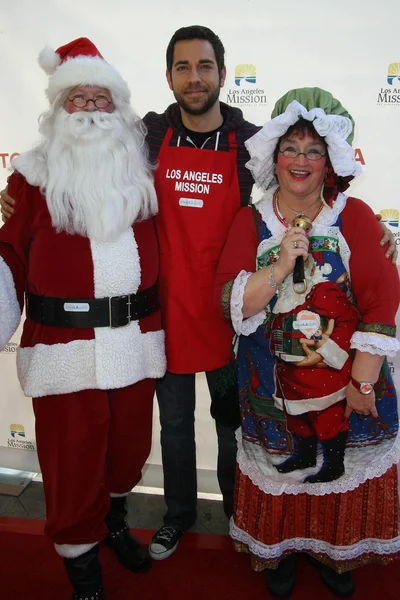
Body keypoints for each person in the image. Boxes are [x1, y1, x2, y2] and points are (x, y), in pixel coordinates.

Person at [1, 27, 397, 563]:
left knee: (234, 419)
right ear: (168, 77)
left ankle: (243, 517)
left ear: (221, 75)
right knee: (174, 427)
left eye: (204, 67)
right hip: (165, 315)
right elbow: (86, 164)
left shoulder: (252, 140)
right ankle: (179, 517)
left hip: (240, 316)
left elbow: (308, 180)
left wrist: (376, 232)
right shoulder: (145, 137)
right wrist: (23, 192)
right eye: (183, 68)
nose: (194, 78)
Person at [215, 87, 400, 598]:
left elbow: (382, 303)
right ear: (273, 156)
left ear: (331, 161)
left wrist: (362, 379)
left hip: (349, 377)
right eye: (290, 148)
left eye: (313, 150)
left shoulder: (356, 217)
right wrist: (276, 267)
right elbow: (231, 302)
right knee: (289, 461)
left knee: (336, 462)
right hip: (272, 381)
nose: (301, 160)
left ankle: (334, 550)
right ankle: (282, 550)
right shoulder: (249, 221)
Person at [0, 38, 166, 600]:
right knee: (72, 465)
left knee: (126, 453)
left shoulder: (144, 175)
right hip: (63, 350)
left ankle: (113, 519)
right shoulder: (30, 180)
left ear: (119, 109)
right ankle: (83, 567)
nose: (92, 109)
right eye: (78, 97)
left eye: (102, 97)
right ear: (57, 109)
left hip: (136, 343)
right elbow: (7, 255)